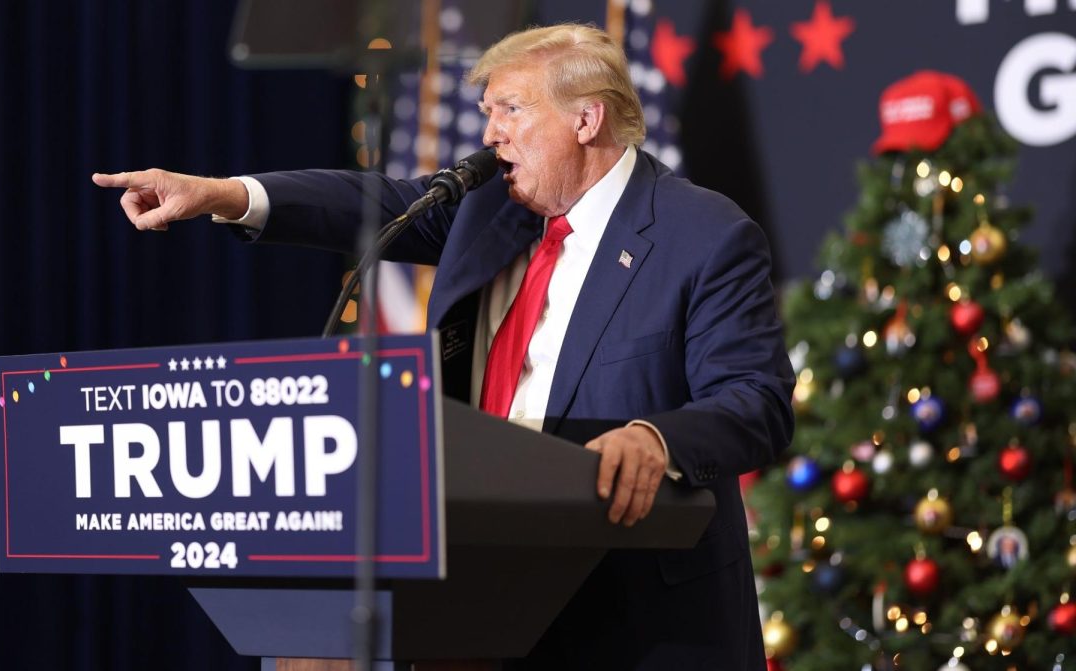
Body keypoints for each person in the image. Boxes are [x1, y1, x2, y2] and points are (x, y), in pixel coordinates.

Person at [94, 23, 793, 670]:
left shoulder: (701, 234)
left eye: (510, 111)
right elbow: (364, 203)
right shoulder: (493, 211)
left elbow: (755, 399)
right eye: (488, 113)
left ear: (587, 119)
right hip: (480, 596)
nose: (492, 137)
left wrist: (655, 439)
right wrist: (222, 194)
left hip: (632, 611)